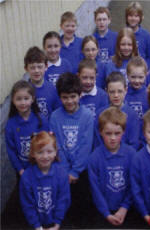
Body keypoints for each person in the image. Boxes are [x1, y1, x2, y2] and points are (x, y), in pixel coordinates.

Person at [49, 72, 94, 227]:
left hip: (82, 169)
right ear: (60, 97)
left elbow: (86, 145)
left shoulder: (88, 115)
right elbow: (58, 144)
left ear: (80, 95)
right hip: (63, 168)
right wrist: (66, 169)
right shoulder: (55, 117)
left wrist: (75, 171)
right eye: (65, 97)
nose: (69, 101)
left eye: (73, 96)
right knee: (65, 203)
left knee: (83, 205)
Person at [88, 107, 135, 227]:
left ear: (123, 131)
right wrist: (106, 213)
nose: (113, 138)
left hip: (127, 211)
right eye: (108, 133)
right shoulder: (94, 158)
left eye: (117, 133)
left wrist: (124, 208)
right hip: (103, 213)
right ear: (100, 132)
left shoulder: (131, 154)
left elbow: (134, 185)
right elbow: (95, 190)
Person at [19, 131, 70, 230]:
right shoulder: (26, 177)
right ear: (33, 153)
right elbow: (27, 204)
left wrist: (57, 222)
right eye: (40, 152)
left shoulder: (62, 174)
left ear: (55, 152)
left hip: (57, 222)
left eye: (49, 151)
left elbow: (63, 200)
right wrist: (37, 226)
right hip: (35, 224)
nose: (45, 156)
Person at [5, 80, 49, 176]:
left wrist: (44, 165)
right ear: (13, 100)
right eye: (19, 99)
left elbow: (47, 145)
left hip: (41, 167)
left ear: (32, 99)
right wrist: (20, 169)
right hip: (22, 170)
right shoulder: (11, 124)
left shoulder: (41, 120)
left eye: (26, 98)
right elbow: (11, 150)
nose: (23, 102)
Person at [94, 72, 140, 150]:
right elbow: (97, 142)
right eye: (112, 92)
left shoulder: (132, 115)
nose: (116, 95)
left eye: (120, 91)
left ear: (126, 90)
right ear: (106, 91)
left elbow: (134, 143)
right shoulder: (100, 114)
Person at [24, 46, 61, 120]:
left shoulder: (52, 88)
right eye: (32, 67)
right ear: (26, 69)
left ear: (46, 66)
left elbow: (58, 111)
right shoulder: (24, 90)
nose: (36, 71)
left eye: (40, 67)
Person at [125, 1, 150, 67]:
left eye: (136, 16)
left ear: (140, 18)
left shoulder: (146, 35)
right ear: (126, 17)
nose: (133, 18)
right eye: (130, 16)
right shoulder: (122, 34)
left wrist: (145, 67)